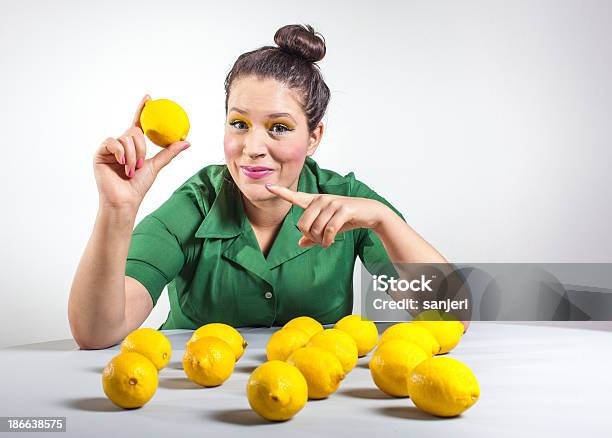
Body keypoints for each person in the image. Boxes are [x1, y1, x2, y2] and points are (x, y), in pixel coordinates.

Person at [68, 24, 448, 350]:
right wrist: (117, 209)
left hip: (311, 400)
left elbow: (449, 314)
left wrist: (383, 220)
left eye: (279, 128)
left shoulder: (346, 199)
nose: (252, 149)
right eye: (239, 124)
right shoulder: (195, 203)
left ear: (314, 137)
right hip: (190, 397)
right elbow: (97, 333)